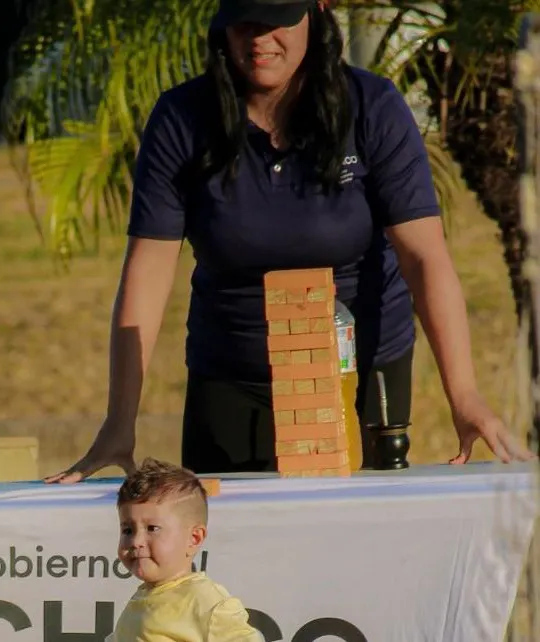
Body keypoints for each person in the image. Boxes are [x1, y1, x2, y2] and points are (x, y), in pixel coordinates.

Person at [47, 0, 536, 482]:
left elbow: (424, 258)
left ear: (316, 11)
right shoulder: (182, 118)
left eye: (276, 20)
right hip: (233, 371)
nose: (260, 39)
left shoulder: (372, 107)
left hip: (361, 370)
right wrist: (119, 421)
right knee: (236, 543)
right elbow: (147, 272)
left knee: (353, 540)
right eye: (244, 23)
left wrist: (465, 395)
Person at [107, 458, 262, 642]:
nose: (136, 541)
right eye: (128, 530)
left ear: (194, 538)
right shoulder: (144, 596)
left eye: (152, 528)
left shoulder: (208, 605)